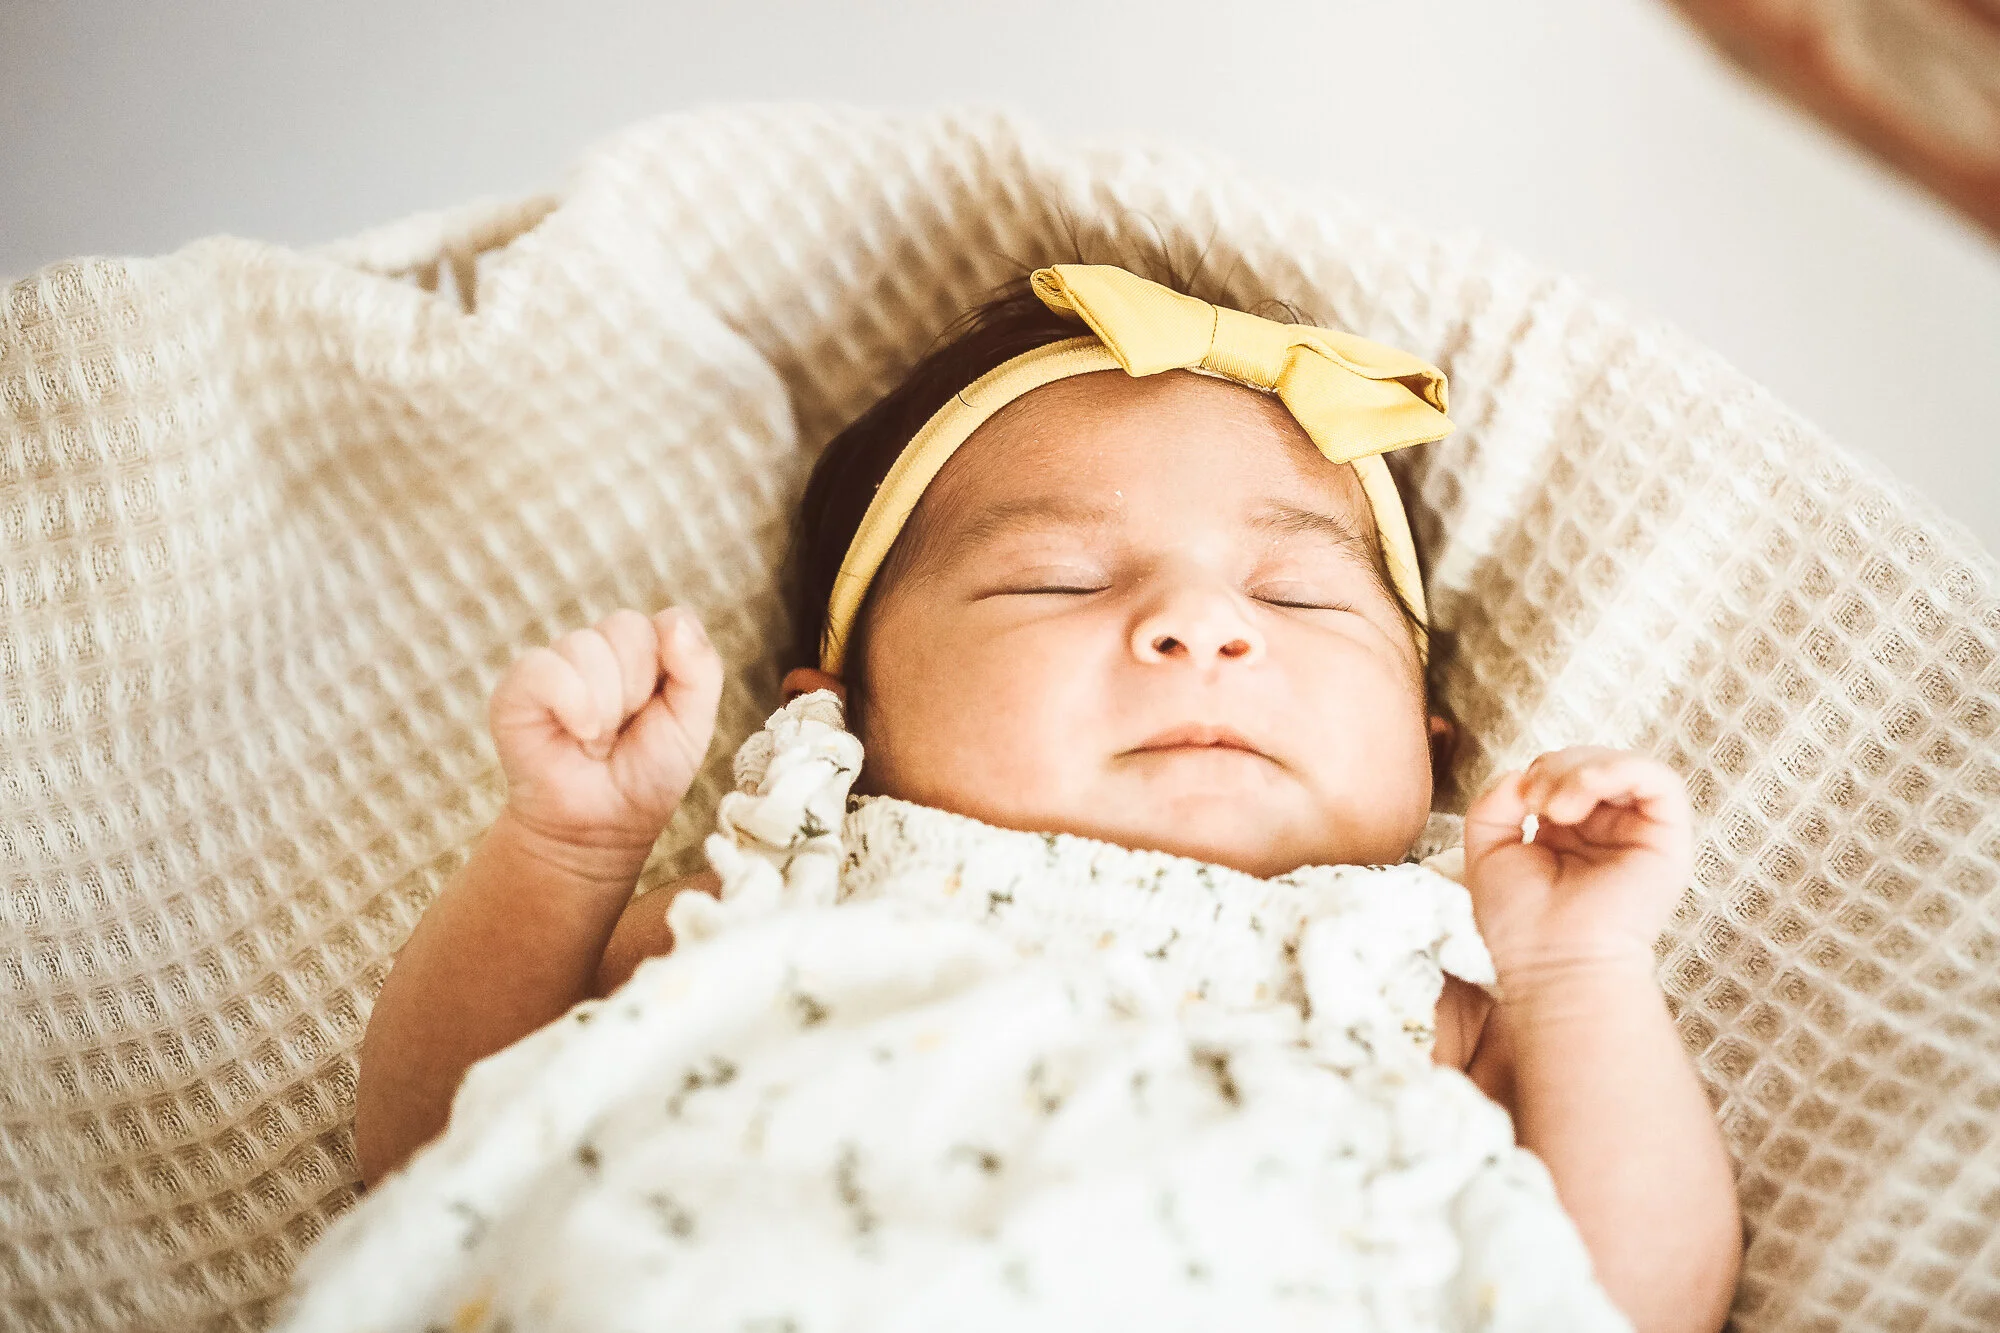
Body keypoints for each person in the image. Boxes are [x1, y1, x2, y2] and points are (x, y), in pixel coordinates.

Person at [349, 263, 1742, 1333]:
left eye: (1299, 596)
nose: (1202, 626)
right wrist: (567, 848)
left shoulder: (1418, 981)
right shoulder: (789, 896)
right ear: (842, 719)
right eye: (1056, 580)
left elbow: (1632, 1301)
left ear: (1431, 751)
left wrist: (1581, 968)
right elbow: (449, 1153)